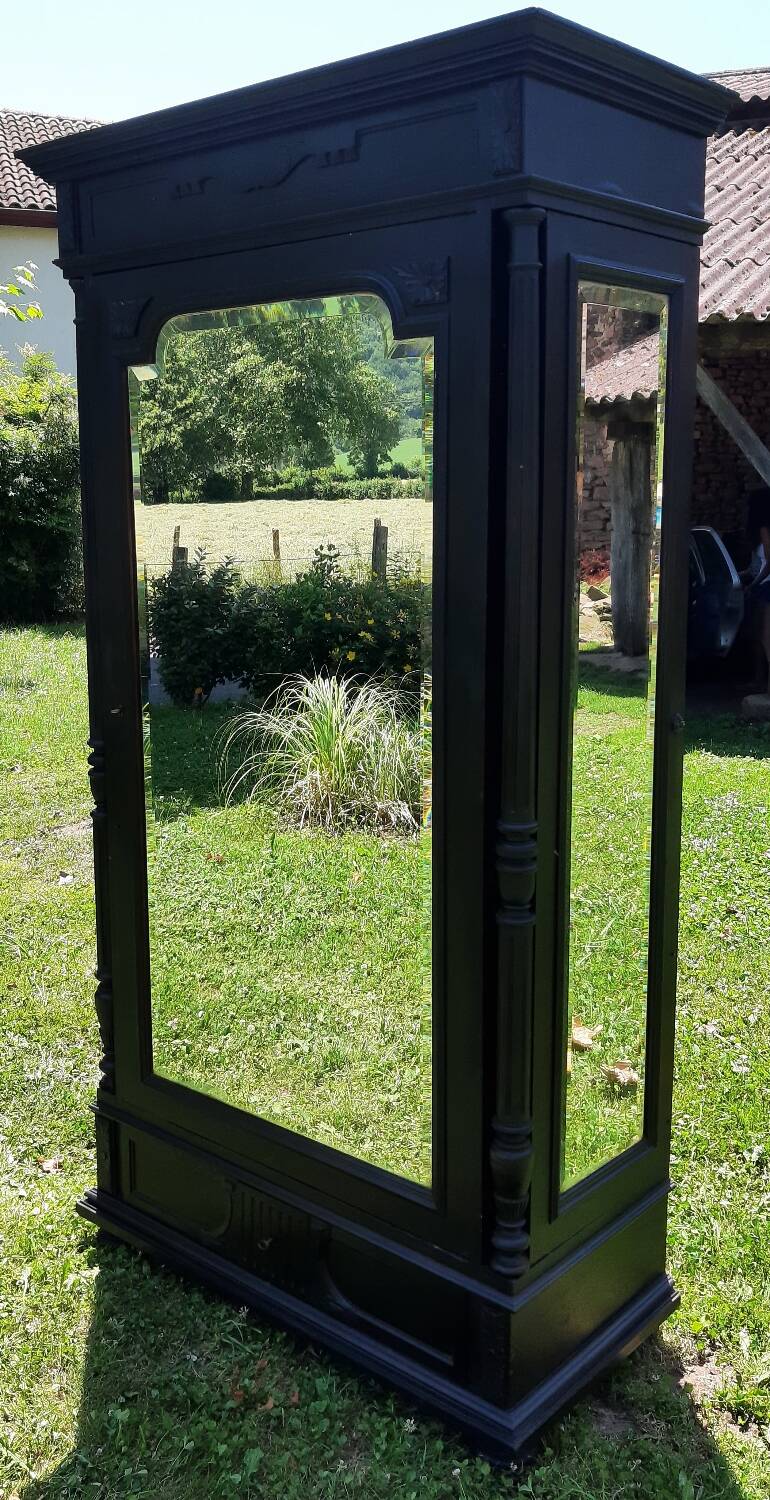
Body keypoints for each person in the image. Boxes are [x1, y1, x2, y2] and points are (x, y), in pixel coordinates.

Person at [740, 487, 770, 694]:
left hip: (767, 587)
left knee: (765, 637)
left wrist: (754, 584)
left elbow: (769, 562)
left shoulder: (764, 530)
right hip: (762, 585)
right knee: (758, 637)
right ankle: (759, 681)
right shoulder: (757, 535)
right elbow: (754, 566)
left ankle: (765, 685)